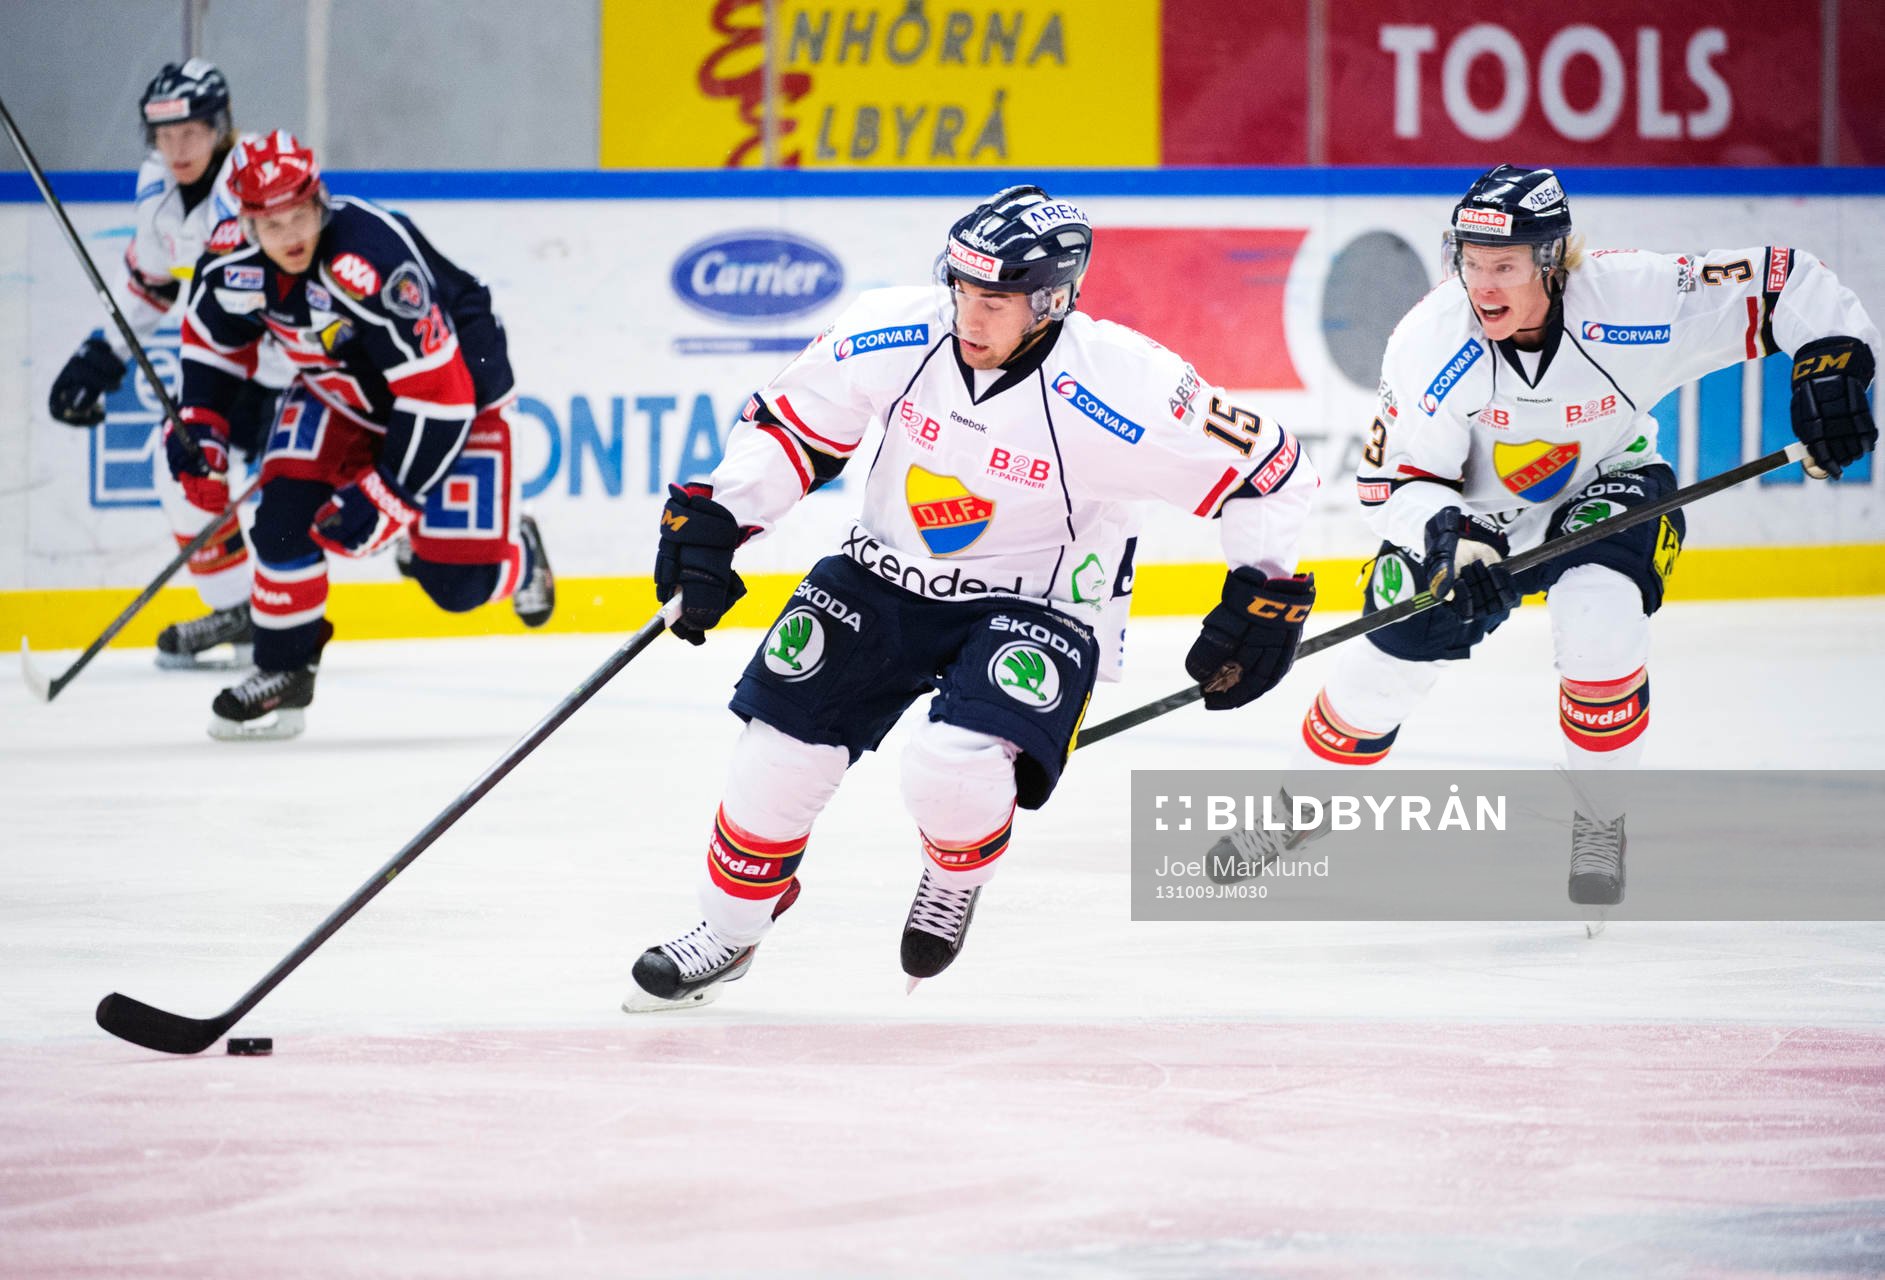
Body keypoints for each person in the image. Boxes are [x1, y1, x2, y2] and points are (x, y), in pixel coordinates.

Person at [626, 185, 1320, 1009]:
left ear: (1051, 300)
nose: (970, 314)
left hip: (1039, 600)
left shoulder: (1126, 383)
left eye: (995, 298)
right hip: (883, 572)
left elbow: (1272, 471)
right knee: (776, 756)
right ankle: (731, 932)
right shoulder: (896, 325)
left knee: (951, 769)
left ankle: (953, 876)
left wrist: (1261, 593)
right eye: (960, 287)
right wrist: (721, 519)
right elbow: (794, 424)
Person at [1222, 165, 1877, 905]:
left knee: (1599, 618)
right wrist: (1451, 544)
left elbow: (1786, 281)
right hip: (1471, 519)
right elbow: (1388, 486)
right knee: (1380, 676)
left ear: (1551, 259)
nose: (1482, 285)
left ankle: (1599, 822)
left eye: (1502, 265)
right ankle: (1294, 808)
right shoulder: (1428, 340)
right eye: (1468, 263)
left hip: (1608, 484)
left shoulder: (1636, 294)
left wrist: (1829, 369)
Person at [167, 131, 555, 740]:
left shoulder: (370, 258)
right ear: (244, 224)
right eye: (272, 225)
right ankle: (285, 671)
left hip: (461, 395)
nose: (291, 235)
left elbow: (440, 394)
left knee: (458, 587)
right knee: (283, 515)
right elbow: (213, 350)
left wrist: (389, 496)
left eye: (300, 215)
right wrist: (200, 427)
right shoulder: (229, 263)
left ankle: (519, 551)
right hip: (338, 389)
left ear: (319, 201)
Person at [46, 59, 290, 669]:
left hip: (303, 365)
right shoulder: (156, 190)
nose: (177, 148)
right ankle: (241, 611)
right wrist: (99, 354)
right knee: (181, 466)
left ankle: (472, 537)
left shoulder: (259, 176)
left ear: (220, 127)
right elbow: (152, 285)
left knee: (342, 494)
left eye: (191, 133)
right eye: (164, 135)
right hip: (233, 370)